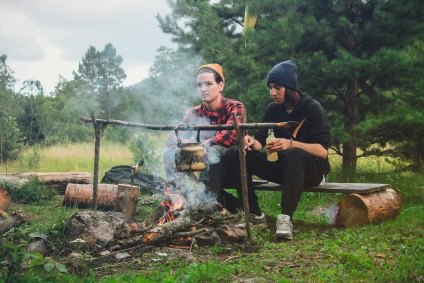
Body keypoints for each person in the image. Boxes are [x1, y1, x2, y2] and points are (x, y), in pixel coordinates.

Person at [226, 60, 331, 240]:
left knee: (293, 153)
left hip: (311, 172)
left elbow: (322, 151)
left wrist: (291, 143)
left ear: (290, 87)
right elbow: (260, 142)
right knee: (235, 153)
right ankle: (254, 214)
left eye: (277, 88)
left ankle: (285, 217)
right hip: (283, 169)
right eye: (270, 88)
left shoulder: (312, 108)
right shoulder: (273, 110)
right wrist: (251, 142)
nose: (272, 93)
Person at [163, 63, 245, 212]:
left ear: (221, 85)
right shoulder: (194, 112)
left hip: (233, 169)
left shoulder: (234, 107)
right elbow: (172, 138)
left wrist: (204, 145)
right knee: (169, 153)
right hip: (205, 168)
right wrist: (187, 144)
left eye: (208, 84)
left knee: (214, 151)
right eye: (199, 85)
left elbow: (231, 136)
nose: (203, 89)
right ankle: (181, 200)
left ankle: (209, 207)